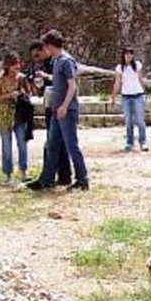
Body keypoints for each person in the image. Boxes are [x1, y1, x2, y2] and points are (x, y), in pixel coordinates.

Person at [27, 30, 89, 191]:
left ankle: (82, 179)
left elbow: (72, 85)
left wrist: (64, 106)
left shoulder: (66, 61)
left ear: (49, 46)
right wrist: (46, 77)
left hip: (66, 111)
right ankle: (46, 179)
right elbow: (59, 80)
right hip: (57, 110)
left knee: (71, 146)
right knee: (52, 145)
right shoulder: (57, 61)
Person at [26, 41, 72, 186]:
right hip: (50, 104)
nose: (36, 59)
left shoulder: (59, 62)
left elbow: (61, 81)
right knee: (55, 142)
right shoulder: (46, 64)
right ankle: (59, 176)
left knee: (55, 143)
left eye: (37, 55)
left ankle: (51, 177)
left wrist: (45, 76)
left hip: (59, 105)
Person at [0, 52, 31, 185]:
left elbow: (29, 93)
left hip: (19, 115)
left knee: (22, 144)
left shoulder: (22, 78)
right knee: (6, 146)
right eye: (14, 65)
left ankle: (23, 171)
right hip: (4, 114)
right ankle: (8, 174)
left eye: (18, 65)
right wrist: (8, 96)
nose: (17, 68)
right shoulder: (0, 80)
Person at [112, 47, 149, 152]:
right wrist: (114, 96)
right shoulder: (120, 68)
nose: (128, 56)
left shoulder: (137, 65)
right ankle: (130, 142)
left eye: (131, 54)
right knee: (128, 121)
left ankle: (143, 142)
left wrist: (144, 91)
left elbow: (140, 79)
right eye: (127, 54)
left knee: (140, 120)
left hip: (138, 95)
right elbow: (117, 82)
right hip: (126, 96)